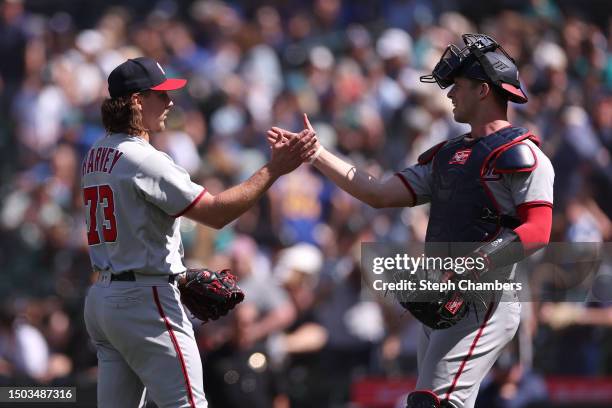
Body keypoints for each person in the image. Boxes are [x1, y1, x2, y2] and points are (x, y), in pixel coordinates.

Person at [272, 34, 554, 408]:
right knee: (441, 401)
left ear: (484, 90)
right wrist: (317, 153)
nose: (450, 94)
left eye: (458, 86)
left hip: (488, 296)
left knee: (431, 402)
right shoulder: (449, 155)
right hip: (445, 297)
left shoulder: (523, 154)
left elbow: (538, 230)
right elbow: (379, 194)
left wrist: (468, 266)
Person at [81, 57, 316, 408]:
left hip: (104, 298)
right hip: (145, 299)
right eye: (160, 95)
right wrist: (274, 169)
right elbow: (218, 214)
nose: (170, 102)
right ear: (136, 101)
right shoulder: (145, 159)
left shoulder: (95, 154)